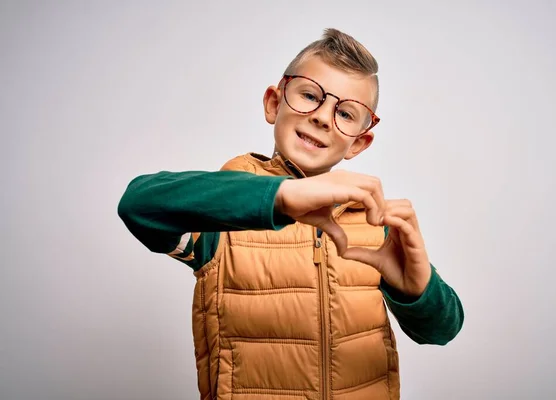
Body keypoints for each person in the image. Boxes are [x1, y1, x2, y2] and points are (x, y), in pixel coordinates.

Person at [118, 28, 464, 400]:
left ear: (359, 143)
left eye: (346, 113)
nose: (322, 118)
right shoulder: (221, 213)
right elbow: (138, 205)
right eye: (310, 96)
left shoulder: (371, 224)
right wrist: (282, 197)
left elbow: (442, 330)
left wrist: (416, 289)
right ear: (273, 103)